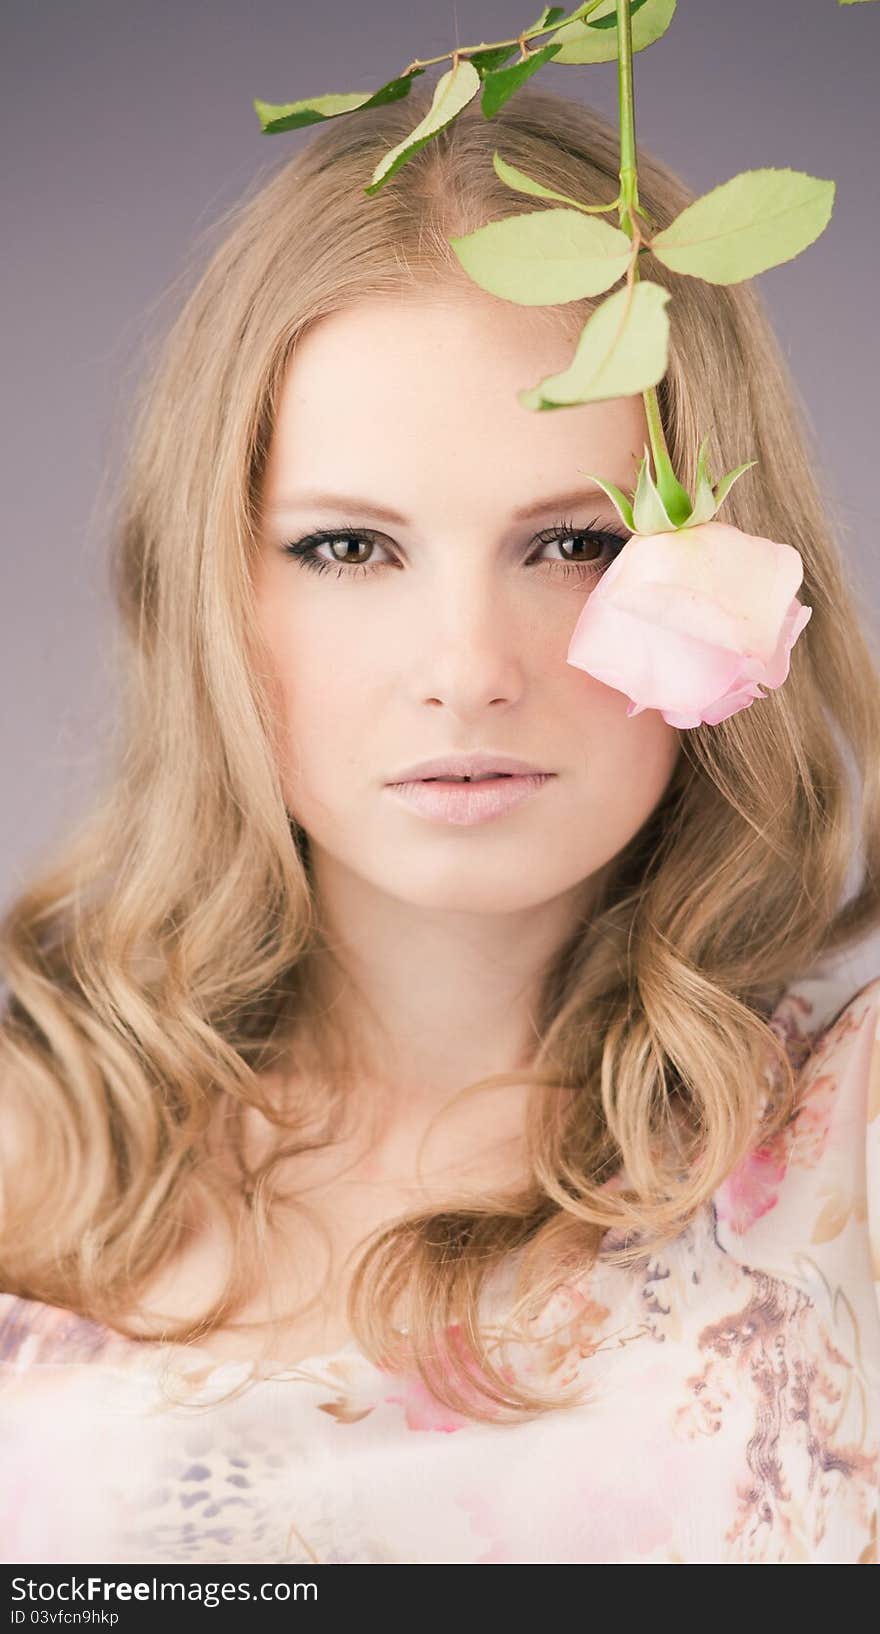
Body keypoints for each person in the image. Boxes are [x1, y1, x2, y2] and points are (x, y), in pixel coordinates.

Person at [1, 84, 878, 1567]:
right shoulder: (34, 1128)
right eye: (350, 546)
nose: (467, 667)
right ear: (215, 588)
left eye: (574, 542)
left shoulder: (844, 1139)